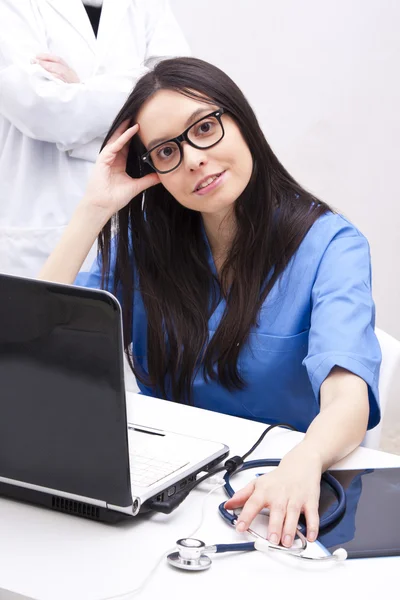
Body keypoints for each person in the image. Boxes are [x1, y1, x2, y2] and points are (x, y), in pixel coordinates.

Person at [39, 57, 381, 549]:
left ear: (240, 121)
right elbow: (37, 340)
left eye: (204, 128)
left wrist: (304, 460)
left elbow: (348, 397)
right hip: (159, 493)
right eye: (165, 152)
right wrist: (91, 211)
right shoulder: (146, 247)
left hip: (276, 495)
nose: (193, 159)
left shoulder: (330, 245)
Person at [0, 0, 190, 276]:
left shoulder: (148, 6)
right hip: (43, 226)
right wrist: (141, 91)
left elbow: (178, 87)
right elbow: (43, 111)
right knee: (46, 314)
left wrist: (82, 89)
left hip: (141, 218)